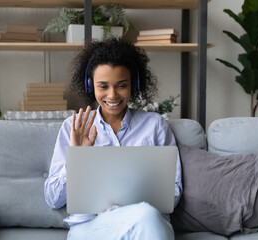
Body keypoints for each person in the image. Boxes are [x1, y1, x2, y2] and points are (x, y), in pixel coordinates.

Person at [44, 37, 182, 240]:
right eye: (103, 86)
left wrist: (129, 204)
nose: (112, 95)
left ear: (133, 84)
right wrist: (77, 157)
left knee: (147, 217)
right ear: (91, 86)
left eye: (121, 85)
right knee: (147, 218)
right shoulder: (73, 127)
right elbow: (53, 199)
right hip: (92, 227)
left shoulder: (155, 126)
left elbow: (174, 191)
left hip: (149, 224)